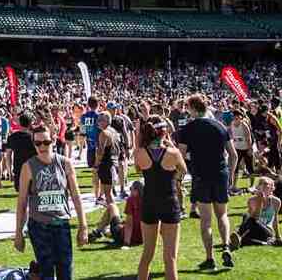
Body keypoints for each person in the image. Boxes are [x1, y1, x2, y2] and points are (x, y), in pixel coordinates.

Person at [14, 124, 89, 280]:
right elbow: (22, 202)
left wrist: (83, 225)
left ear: (53, 141)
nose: (42, 146)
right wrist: (18, 233)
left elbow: (76, 196)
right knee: (46, 273)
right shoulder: (28, 167)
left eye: (46, 142)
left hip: (61, 224)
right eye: (38, 143)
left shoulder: (65, 163)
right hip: (39, 226)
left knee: (65, 271)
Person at [175, 94, 237, 270]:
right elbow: (233, 154)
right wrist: (231, 175)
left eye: (188, 108)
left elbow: (180, 155)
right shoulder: (220, 126)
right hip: (220, 174)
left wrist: (179, 175)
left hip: (201, 176)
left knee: (206, 220)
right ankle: (226, 246)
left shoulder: (188, 129)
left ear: (193, 108)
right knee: (222, 215)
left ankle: (210, 258)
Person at [133, 115, 186, 280]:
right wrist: (171, 146)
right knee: (170, 258)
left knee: (147, 254)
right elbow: (183, 170)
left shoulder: (139, 153)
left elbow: (138, 170)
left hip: (149, 202)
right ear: (164, 133)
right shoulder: (173, 152)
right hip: (169, 202)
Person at [86, 112, 121, 243]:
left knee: (109, 197)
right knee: (109, 196)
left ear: (106, 120)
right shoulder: (114, 132)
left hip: (106, 165)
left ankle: (114, 222)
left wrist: (96, 165)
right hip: (113, 164)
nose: (98, 121)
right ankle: (102, 227)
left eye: (101, 119)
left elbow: (100, 151)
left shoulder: (104, 133)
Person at [232, 177, 282, 248]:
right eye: (262, 184)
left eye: (267, 184)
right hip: (253, 228)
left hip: (267, 230)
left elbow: (275, 220)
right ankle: (241, 240)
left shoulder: (276, 202)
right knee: (246, 216)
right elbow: (250, 220)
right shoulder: (251, 201)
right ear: (258, 187)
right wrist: (259, 201)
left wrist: (278, 236)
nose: (263, 186)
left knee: (251, 220)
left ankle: (239, 237)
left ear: (272, 188)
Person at [5, 113, 36, 193]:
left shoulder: (12, 137)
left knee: (22, 197)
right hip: (32, 169)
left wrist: (9, 172)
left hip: (18, 169)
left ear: (19, 123)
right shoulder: (34, 137)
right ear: (30, 124)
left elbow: (8, 156)